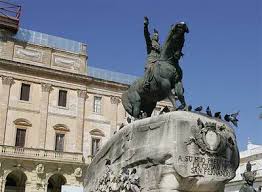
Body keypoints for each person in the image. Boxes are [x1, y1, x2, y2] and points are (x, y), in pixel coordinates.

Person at [143, 16, 161, 91]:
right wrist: (146, 26)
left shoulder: (160, 46)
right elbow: (146, 35)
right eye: (155, 35)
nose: (156, 36)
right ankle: (146, 82)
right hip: (151, 60)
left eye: (157, 36)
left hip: (159, 62)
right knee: (149, 68)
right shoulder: (150, 43)